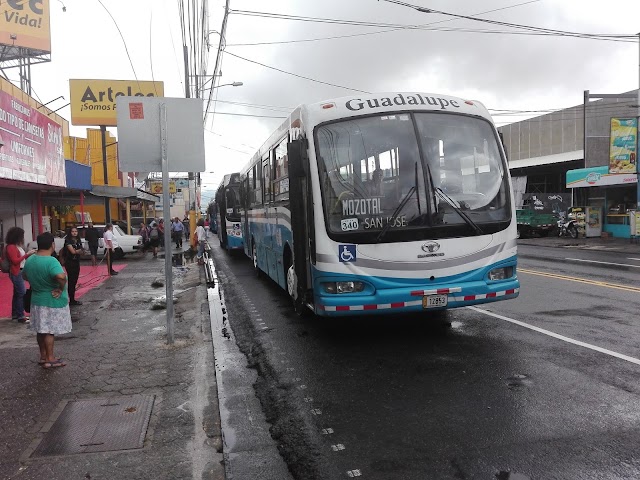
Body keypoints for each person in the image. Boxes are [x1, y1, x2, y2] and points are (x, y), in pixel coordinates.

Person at [22, 232, 71, 369]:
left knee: (41, 329)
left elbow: (24, 275)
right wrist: (60, 289)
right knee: (49, 330)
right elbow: (61, 277)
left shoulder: (31, 259)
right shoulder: (51, 261)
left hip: (37, 299)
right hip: (51, 300)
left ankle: (43, 356)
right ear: (52, 245)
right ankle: (50, 358)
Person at [4, 227, 36, 323]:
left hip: (19, 271)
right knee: (21, 292)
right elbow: (15, 261)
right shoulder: (11, 247)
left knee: (17, 293)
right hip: (16, 272)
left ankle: (15, 314)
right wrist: (27, 254)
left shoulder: (15, 246)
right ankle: (20, 315)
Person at [64, 227, 85, 306]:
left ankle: (72, 298)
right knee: (71, 280)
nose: (74, 233)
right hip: (70, 262)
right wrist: (77, 251)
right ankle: (71, 299)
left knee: (75, 280)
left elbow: (81, 250)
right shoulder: (68, 240)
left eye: (76, 231)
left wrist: (79, 251)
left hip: (76, 261)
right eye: (73, 231)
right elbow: (72, 251)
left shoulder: (78, 240)